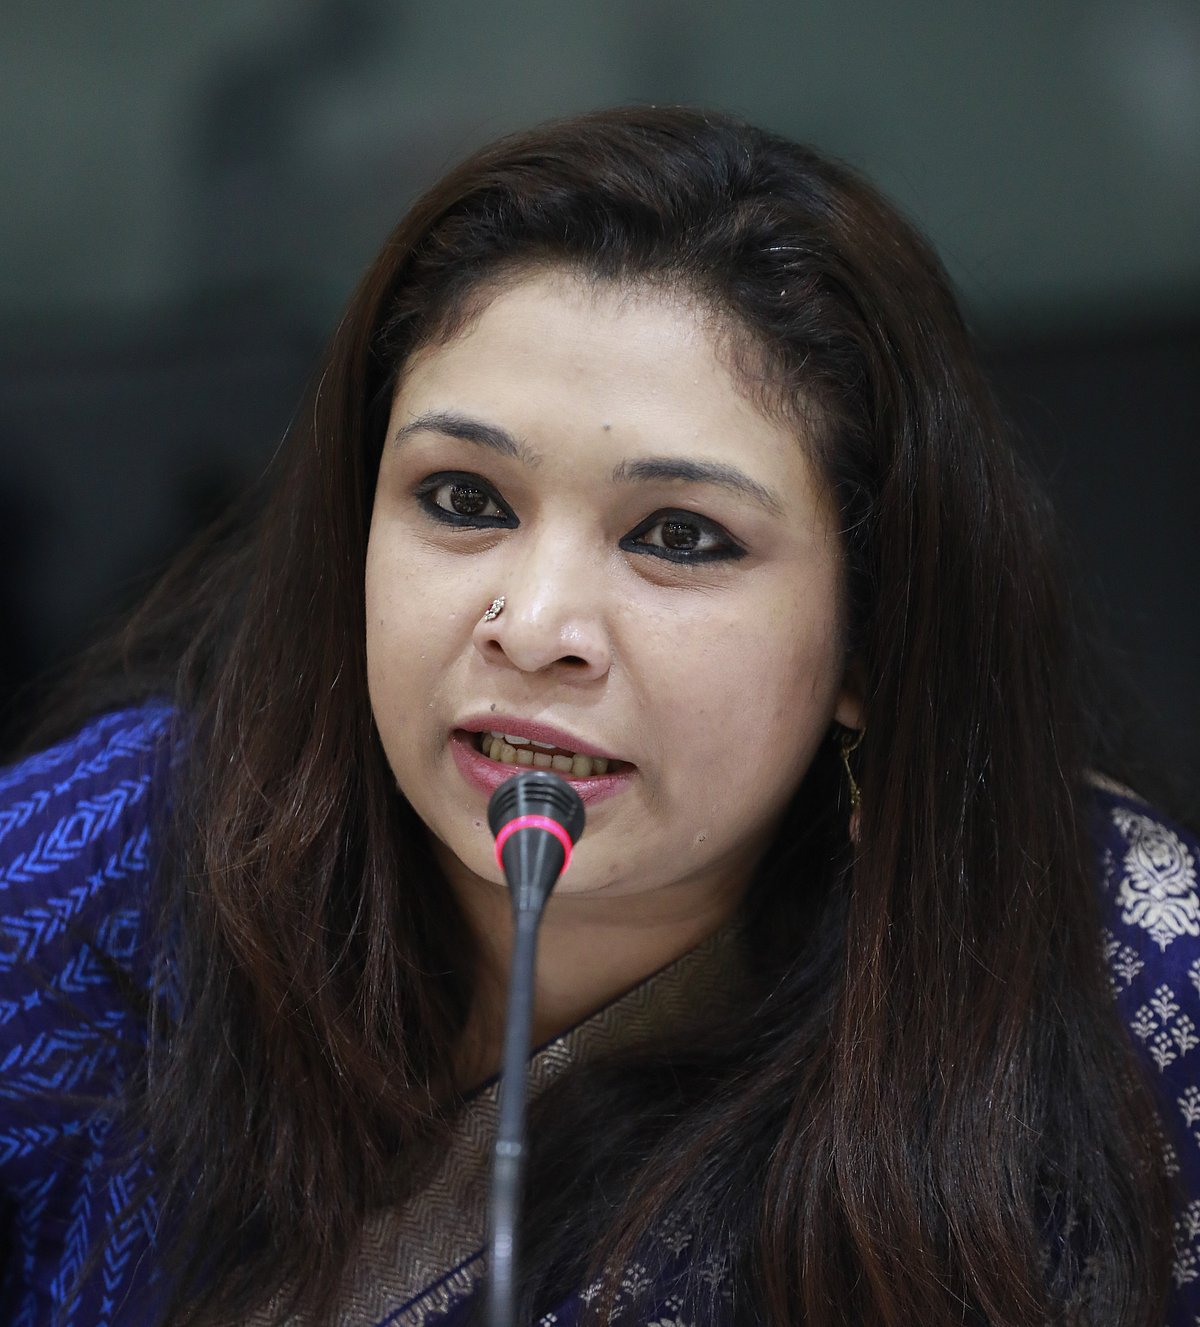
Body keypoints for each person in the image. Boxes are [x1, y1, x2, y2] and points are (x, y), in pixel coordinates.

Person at [1, 105, 1197, 1327]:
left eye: (679, 535)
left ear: (870, 635)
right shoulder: (116, 857)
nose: (533, 626)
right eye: (462, 499)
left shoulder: (1119, 980)